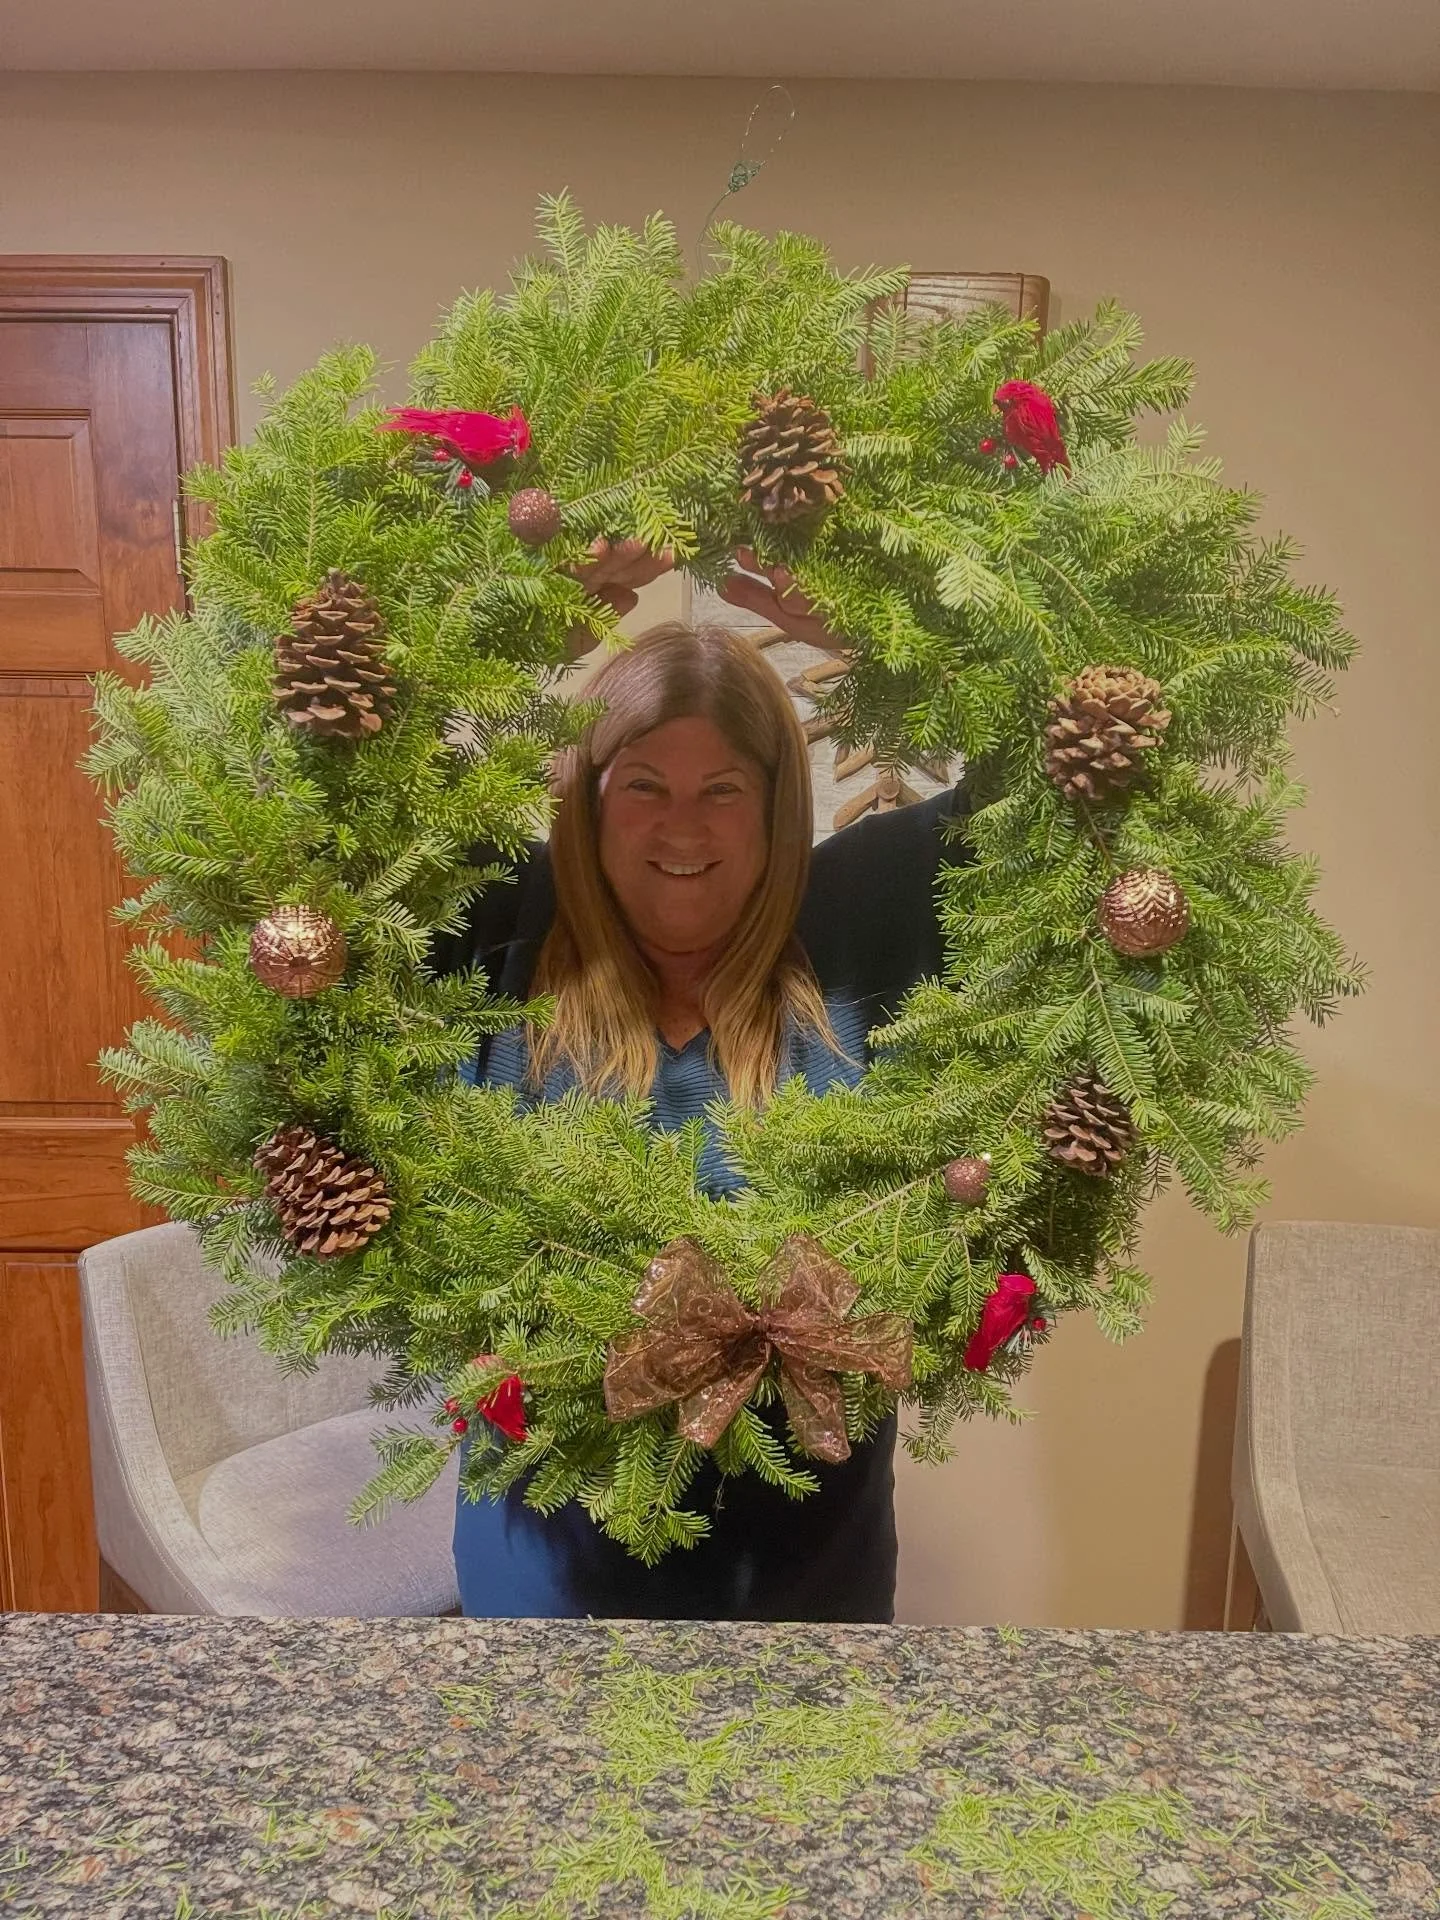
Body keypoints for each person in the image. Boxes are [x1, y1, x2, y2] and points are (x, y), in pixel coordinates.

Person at [434, 541, 971, 1623]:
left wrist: (905, 645)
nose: (682, 828)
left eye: (722, 790)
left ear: (775, 808)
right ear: (589, 801)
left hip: (808, 1582)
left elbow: (1075, 804)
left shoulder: (866, 923)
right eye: (643, 787)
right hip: (546, 1579)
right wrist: (498, 632)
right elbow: (316, 812)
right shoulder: (499, 926)